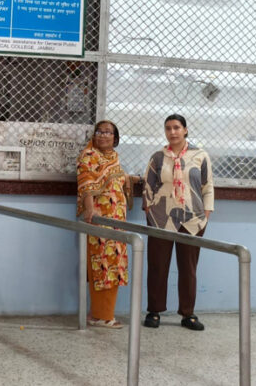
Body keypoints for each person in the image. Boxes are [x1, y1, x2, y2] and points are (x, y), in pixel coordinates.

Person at [142, 114, 214, 331]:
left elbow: (207, 186)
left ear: (185, 130)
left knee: (188, 268)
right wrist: (151, 213)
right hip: (161, 219)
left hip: (192, 220)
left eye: (176, 127)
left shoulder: (200, 156)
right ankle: (154, 311)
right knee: (157, 266)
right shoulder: (157, 157)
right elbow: (148, 187)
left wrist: (206, 216)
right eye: (168, 128)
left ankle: (188, 313)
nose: (172, 132)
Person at [77, 120, 131, 329]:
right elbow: (86, 183)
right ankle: (103, 316)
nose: (103, 135)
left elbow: (114, 180)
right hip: (99, 218)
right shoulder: (88, 156)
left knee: (115, 265)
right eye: (99, 132)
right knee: (103, 265)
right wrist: (90, 209)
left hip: (117, 219)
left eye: (108, 132)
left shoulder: (114, 158)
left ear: (115, 138)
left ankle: (99, 313)